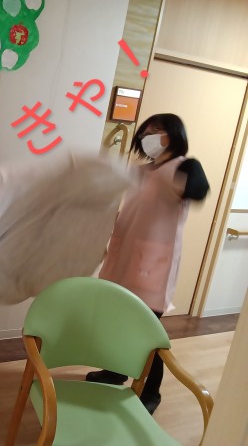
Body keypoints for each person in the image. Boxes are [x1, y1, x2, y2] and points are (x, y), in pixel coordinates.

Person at [86, 113, 210, 415]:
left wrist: (188, 179)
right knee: (118, 321)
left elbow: (198, 190)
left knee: (148, 331)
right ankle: (115, 371)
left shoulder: (184, 167)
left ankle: (151, 392)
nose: (148, 136)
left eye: (157, 130)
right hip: (124, 258)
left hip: (152, 266)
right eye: (145, 132)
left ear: (174, 135)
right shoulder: (140, 172)